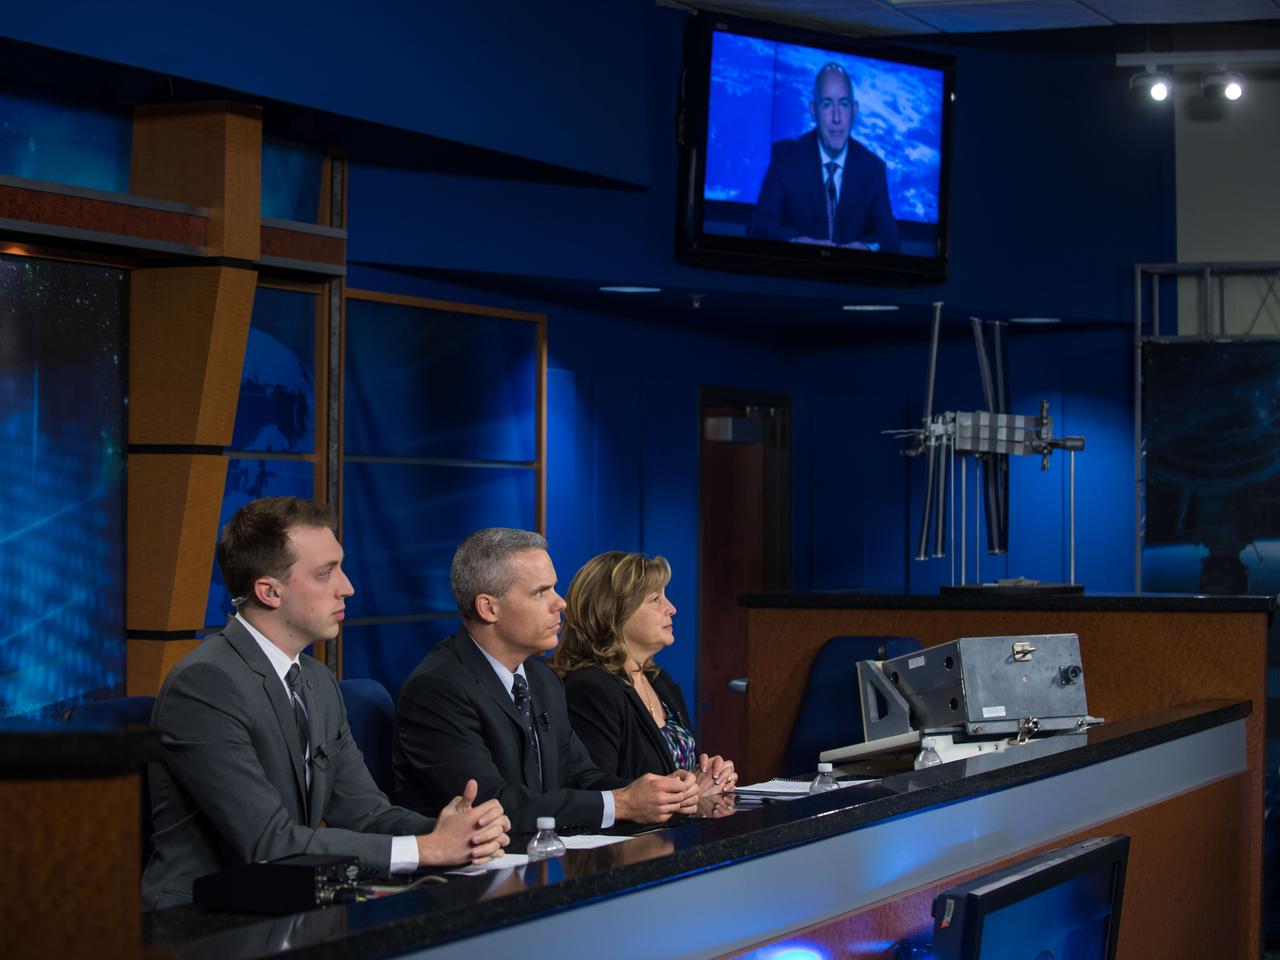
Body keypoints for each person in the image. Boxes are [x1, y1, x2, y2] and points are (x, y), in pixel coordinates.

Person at [141, 497, 510, 911]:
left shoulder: (316, 680)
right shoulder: (205, 685)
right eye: (326, 573)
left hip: (286, 905)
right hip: (200, 922)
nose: (347, 586)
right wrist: (427, 849)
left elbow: (366, 813)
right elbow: (270, 843)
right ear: (269, 591)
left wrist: (457, 831)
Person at [392, 528, 700, 834]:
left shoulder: (542, 678)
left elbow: (582, 777)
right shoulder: (437, 689)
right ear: (488, 608)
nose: (561, 603)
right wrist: (622, 804)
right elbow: (491, 805)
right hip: (472, 873)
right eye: (541, 592)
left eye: (554, 588)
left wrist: (661, 793)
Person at [551, 552, 736, 808]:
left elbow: (678, 769)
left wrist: (710, 774)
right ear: (614, 612)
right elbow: (592, 789)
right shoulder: (590, 689)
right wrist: (687, 791)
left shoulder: (659, 680)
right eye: (655, 599)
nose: (672, 608)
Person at [747, 61, 900, 253]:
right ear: (813, 110)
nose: (836, 118)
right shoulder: (786, 159)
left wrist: (866, 249)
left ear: (854, 111)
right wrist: (798, 243)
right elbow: (758, 228)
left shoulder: (873, 169)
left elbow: (891, 241)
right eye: (827, 104)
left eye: (843, 105)